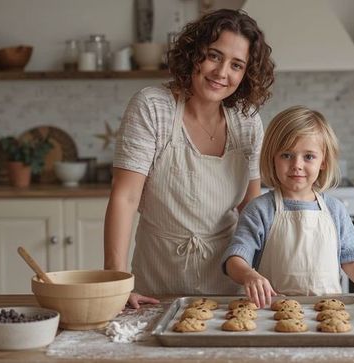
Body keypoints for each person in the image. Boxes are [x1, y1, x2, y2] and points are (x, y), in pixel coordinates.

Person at [104, 9, 275, 308]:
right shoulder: (153, 107)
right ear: (193, 53)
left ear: (246, 73)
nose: (222, 72)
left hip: (227, 290)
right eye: (214, 55)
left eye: (237, 65)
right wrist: (117, 282)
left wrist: (254, 272)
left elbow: (250, 207)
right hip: (156, 288)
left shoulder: (247, 122)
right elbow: (125, 197)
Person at [222, 106, 354, 308]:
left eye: (308, 156)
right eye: (286, 155)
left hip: (328, 310)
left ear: (323, 162)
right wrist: (249, 275)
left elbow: (352, 259)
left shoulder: (335, 210)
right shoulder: (259, 210)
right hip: (273, 314)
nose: (297, 165)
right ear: (272, 158)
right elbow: (235, 258)